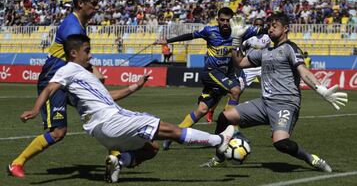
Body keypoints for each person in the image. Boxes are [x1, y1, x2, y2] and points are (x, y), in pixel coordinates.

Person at [16, 34, 235, 183]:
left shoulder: (83, 75)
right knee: (170, 129)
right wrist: (36, 109)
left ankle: (118, 161)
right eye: (87, 51)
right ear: (74, 53)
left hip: (101, 131)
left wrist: (135, 86)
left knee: (152, 148)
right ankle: (219, 141)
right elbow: (49, 88)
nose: (90, 54)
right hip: (111, 120)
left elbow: (107, 97)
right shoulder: (69, 69)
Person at [201, 12, 348, 170]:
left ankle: (310, 158)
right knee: (224, 118)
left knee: (281, 144)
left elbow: (303, 71)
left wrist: (321, 90)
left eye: (274, 26)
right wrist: (236, 38)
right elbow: (239, 63)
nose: (270, 29)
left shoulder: (290, 48)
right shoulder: (265, 51)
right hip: (264, 103)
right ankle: (219, 157)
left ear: (285, 29)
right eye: (269, 26)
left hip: (285, 104)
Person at [8, 0, 106, 178]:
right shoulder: (73, 26)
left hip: (68, 79)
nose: (96, 8)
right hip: (54, 79)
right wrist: (95, 72)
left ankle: (118, 154)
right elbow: (75, 57)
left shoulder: (78, 24)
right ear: (80, 3)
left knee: (99, 111)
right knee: (58, 132)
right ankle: (16, 163)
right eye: (93, 4)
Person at [155, 7, 243, 150]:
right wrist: (168, 41)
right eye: (222, 20)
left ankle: (173, 135)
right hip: (212, 74)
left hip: (225, 76)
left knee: (201, 110)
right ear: (218, 20)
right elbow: (190, 35)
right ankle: (231, 131)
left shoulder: (238, 33)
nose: (225, 23)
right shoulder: (210, 31)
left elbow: (259, 32)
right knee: (235, 90)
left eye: (228, 20)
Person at [206, 18, 271, 123]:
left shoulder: (267, 38)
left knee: (269, 89)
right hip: (248, 67)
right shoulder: (248, 37)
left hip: (262, 66)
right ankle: (214, 110)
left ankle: (270, 112)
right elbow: (240, 49)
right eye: (257, 24)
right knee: (236, 91)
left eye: (261, 24)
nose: (259, 26)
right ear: (253, 24)